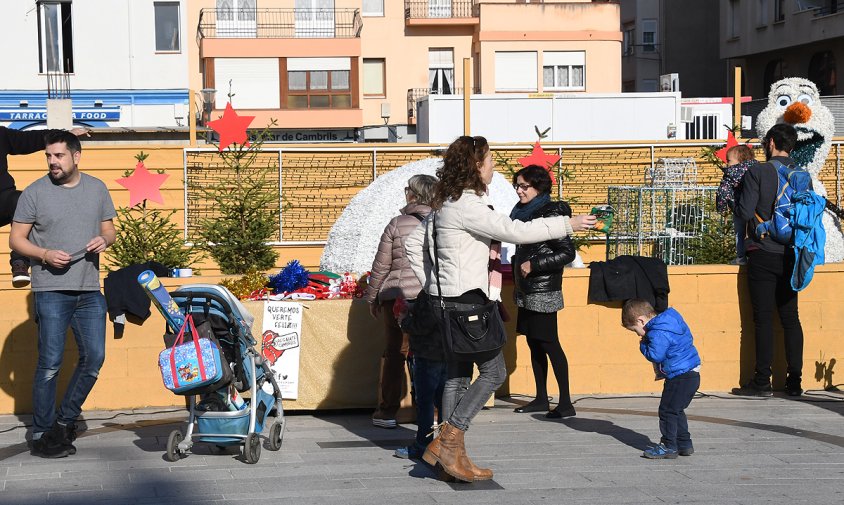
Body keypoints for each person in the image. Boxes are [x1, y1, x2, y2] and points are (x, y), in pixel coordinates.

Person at [405, 135, 596, 482]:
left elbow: (414, 240)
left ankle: (451, 457)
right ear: (476, 166)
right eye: (490, 160)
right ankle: (450, 439)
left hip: (448, 303)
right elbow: (514, 231)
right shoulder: (467, 205)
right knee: (494, 373)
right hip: (467, 305)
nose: (494, 166)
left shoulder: (448, 202)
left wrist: (434, 284)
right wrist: (569, 223)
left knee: (457, 378)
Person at [9, 130, 116, 458]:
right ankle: (42, 432)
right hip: (51, 290)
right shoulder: (34, 192)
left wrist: (105, 240)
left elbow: (109, 228)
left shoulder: (97, 188)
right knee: (50, 364)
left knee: (94, 358)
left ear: (76, 156)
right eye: (49, 156)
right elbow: (16, 239)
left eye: (59, 156)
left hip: (89, 289)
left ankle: (64, 421)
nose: (53, 162)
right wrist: (43, 255)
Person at [733, 123, 805, 397]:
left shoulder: (758, 171)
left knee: (762, 319)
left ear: (771, 142)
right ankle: (795, 381)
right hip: (792, 255)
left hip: (762, 253)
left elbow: (745, 210)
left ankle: (762, 382)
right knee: (791, 318)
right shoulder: (802, 175)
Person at [365, 174, 438, 431]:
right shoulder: (440, 222)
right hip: (430, 298)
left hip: (396, 299)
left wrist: (372, 296)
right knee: (428, 354)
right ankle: (431, 410)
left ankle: (387, 412)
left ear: (413, 194)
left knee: (395, 353)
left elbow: (381, 266)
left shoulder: (397, 224)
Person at [509, 165, 577, 419]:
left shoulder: (550, 213)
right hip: (526, 289)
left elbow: (566, 252)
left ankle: (566, 403)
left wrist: (534, 264)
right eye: (517, 185)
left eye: (524, 186)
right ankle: (540, 398)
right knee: (534, 343)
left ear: (539, 187)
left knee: (550, 344)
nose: (519, 190)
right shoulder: (523, 212)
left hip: (543, 289)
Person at [0, 126, 89, 287]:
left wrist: (64, 135)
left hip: (2, 201)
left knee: (20, 199)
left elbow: (29, 139)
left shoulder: (1, 134)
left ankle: (20, 262)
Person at [621, 299, 701, 459]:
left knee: (667, 411)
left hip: (679, 376)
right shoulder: (671, 322)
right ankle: (684, 443)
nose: (637, 334)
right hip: (691, 373)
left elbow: (656, 355)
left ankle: (669, 445)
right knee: (676, 410)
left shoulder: (657, 332)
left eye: (635, 330)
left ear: (641, 320)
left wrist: (643, 345)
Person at [716, 144, 758, 266]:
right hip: (755, 207)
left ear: (741, 160)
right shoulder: (756, 169)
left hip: (738, 207)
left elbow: (723, 191)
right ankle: (755, 253)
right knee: (754, 230)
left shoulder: (730, 173)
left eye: (729, 161)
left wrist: (721, 207)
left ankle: (741, 257)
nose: (727, 164)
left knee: (739, 232)